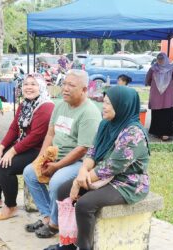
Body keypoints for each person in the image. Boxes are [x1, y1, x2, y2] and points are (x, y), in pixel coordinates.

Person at [45, 86, 150, 250]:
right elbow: (92, 152)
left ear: (123, 106)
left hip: (127, 183)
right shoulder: (106, 124)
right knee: (63, 190)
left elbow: (111, 167)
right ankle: (68, 242)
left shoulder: (133, 133)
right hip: (102, 176)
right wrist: (81, 172)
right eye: (104, 102)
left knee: (85, 204)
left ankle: (82, 246)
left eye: (109, 103)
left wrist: (78, 183)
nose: (104, 107)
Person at [23, 69, 101, 238]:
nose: (65, 88)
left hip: (79, 162)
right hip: (55, 156)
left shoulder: (90, 112)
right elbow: (50, 134)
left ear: (84, 90)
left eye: (71, 85)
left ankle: (55, 223)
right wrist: (40, 160)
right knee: (29, 172)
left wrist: (56, 166)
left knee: (56, 182)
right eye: (64, 84)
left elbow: (83, 148)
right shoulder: (60, 105)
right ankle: (46, 217)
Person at [0, 73, 54, 220]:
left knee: (6, 166)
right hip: (24, 145)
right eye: (26, 84)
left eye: (33, 84)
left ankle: (11, 206)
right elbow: (14, 128)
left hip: (39, 150)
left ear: (41, 87)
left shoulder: (46, 106)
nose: (29, 87)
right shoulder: (25, 104)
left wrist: (12, 152)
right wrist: (1, 147)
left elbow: (35, 137)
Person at [145, 52, 173, 141]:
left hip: (162, 95)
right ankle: (157, 133)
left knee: (165, 114)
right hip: (162, 95)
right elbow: (148, 81)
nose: (160, 61)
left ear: (165, 59)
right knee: (158, 114)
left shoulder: (171, 68)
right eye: (158, 59)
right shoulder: (153, 69)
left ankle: (165, 134)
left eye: (161, 59)